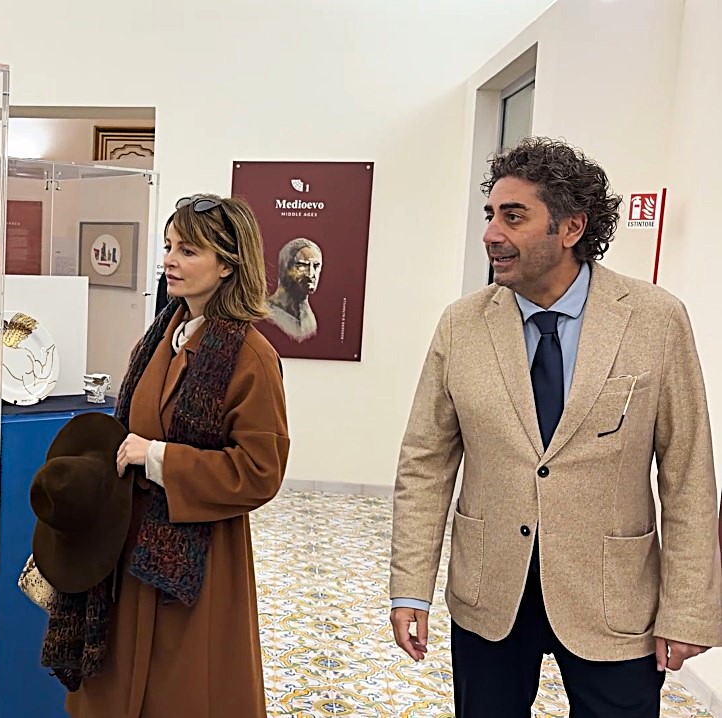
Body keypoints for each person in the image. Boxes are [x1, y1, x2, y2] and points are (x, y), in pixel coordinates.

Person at [388, 137, 722, 717]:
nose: (491, 233)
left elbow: (687, 472)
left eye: (513, 216)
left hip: (613, 599)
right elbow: (425, 464)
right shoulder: (462, 325)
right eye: (490, 214)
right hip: (490, 592)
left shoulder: (655, 319)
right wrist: (410, 587)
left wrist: (689, 608)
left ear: (571, 228)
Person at [42, 193, 290, 717]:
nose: (170, 261)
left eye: (188, 251)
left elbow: (260, 471)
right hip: (125, 546)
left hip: (195, 563)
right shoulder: (161, 336)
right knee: (118, 685)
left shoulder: (252, 358)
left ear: (228, 265)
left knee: (182, 690)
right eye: (169, 246)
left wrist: (159, 458)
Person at [265, 237, 323, 342]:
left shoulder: (310, 319)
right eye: (302, 265)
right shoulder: (266, 314)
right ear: (285, 267)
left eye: (316, 266)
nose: (311, 274)